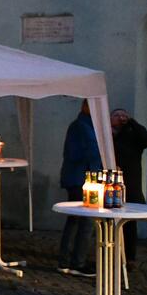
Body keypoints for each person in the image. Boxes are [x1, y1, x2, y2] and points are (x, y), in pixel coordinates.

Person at [59, 100, 101, 276]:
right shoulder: (80, 126)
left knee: (77, 220)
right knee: (84, 220)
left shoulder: (87, 125)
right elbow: (79, 153)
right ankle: (76, 261)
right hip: (82, 179)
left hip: (84, 177)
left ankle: (69, 260)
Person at [112, 107, 147, 261]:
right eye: (116, 115)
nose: (121, 117)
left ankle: (128, 258)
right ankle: (112, 255)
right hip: (111, 186)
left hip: (131, 186)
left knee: (128, 225)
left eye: (123, 114)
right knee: (110, 223)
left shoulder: (133, 134)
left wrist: (132, 121)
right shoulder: (108, 133)